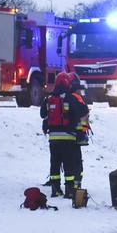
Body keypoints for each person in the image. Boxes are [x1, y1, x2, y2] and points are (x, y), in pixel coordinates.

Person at [40, 71, 88, 199]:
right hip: (68, 138)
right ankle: (70, 190)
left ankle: (55, 190)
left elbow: (43, 114)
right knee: (69, 165)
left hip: (53, 139)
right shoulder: (70, 98)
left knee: (54, 164)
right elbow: (83, 110)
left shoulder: (49, 99)